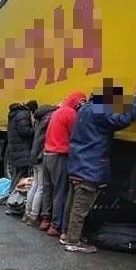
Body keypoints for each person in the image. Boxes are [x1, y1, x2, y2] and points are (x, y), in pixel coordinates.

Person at [64, 77, 136, 253]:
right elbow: (125, 119)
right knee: (81, 207)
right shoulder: (99, 112)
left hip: (78, 162)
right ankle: (73, 241)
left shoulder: (85, 108)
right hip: (89, 166)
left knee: (72, 204)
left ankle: (67, 235)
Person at [40, 91, 87, 235]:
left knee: (48, 189)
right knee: (60, 192)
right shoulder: (70, 114)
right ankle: (55, 225)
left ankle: (45, 219)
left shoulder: (57, 112)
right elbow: (76, 135)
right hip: (59, 156)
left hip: (47, 154)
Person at [23, 104, 58, 226]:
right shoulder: (49, 119)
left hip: (34, 155)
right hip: (41, 156)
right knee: (41, 188)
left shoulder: (40, 120)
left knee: (34, 185)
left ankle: (27, 213)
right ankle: (33, 215)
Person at [7, 100, 38, 188]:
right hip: (22, 149)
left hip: (16, 148)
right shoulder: (24, 114)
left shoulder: (15, 114)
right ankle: (14, 195)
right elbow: (25, 131)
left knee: (17, 174)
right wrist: (36, 130)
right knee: (21, 175)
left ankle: (12, 193)